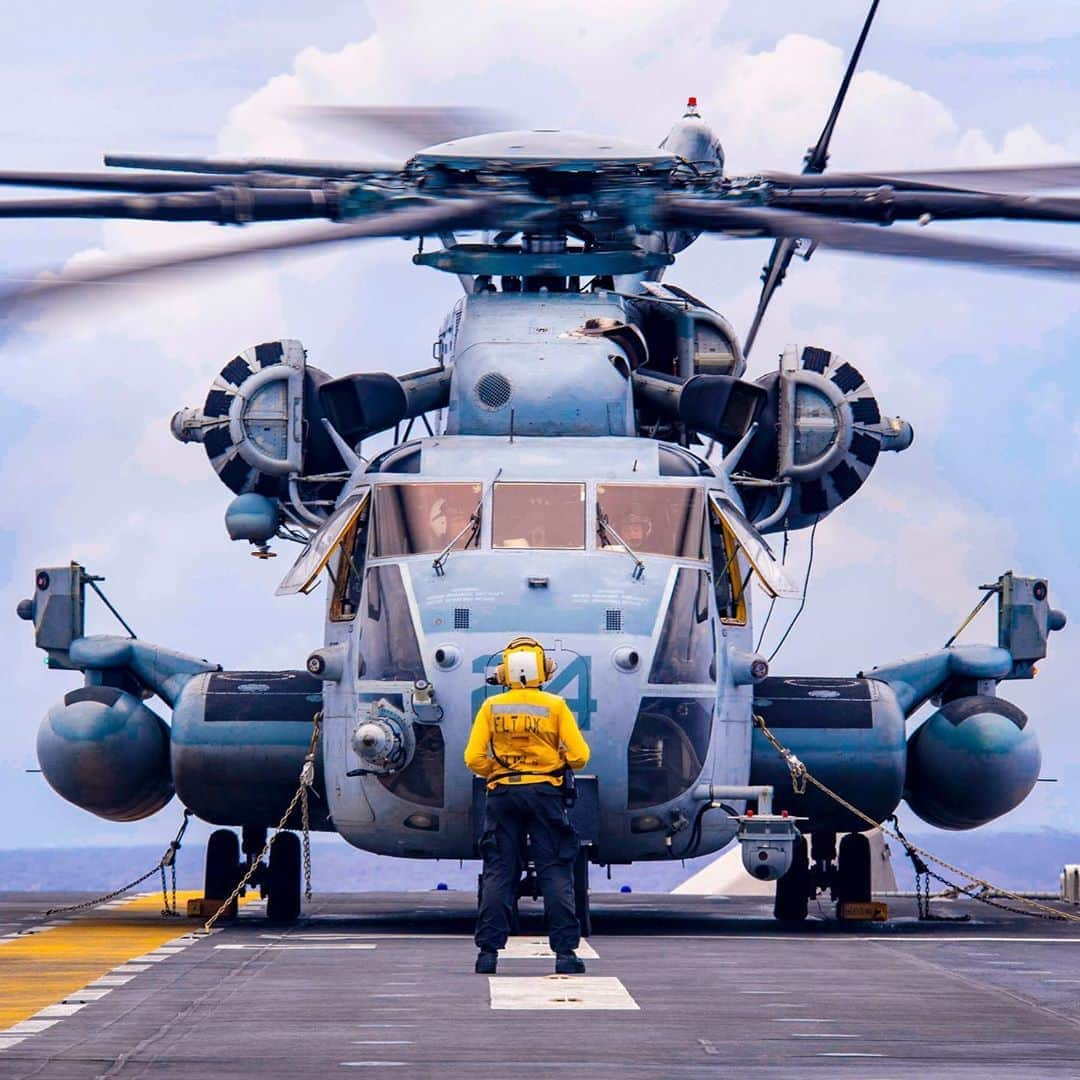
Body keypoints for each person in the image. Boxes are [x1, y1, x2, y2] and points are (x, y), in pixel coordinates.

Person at [464, 637, 591, 975]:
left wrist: (499, 770)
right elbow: (580, 756)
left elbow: (473, 758)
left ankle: (488, 953)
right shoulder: (555, 706)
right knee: (555, 869)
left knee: (499, 870)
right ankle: (565, 953)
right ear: (542, 670)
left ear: (505, 671)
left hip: (503, 794)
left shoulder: (491, 708)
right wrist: (552, 763)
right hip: (545, 795)